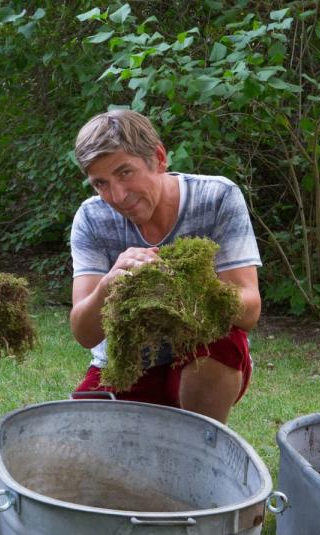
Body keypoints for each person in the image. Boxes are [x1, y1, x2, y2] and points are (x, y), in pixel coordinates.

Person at [69, 110, 262, 424]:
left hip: (203, 355)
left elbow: (249, 308)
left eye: (125, 173)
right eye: (101, 183)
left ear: (158, 158)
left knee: (221, 345)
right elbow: (84, 333)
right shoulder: (91, 218)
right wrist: (108, 286)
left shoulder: (217, 197)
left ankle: (203, 446)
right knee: (78, 441)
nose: (117, 195)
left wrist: (182, 287)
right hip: (126, 363)